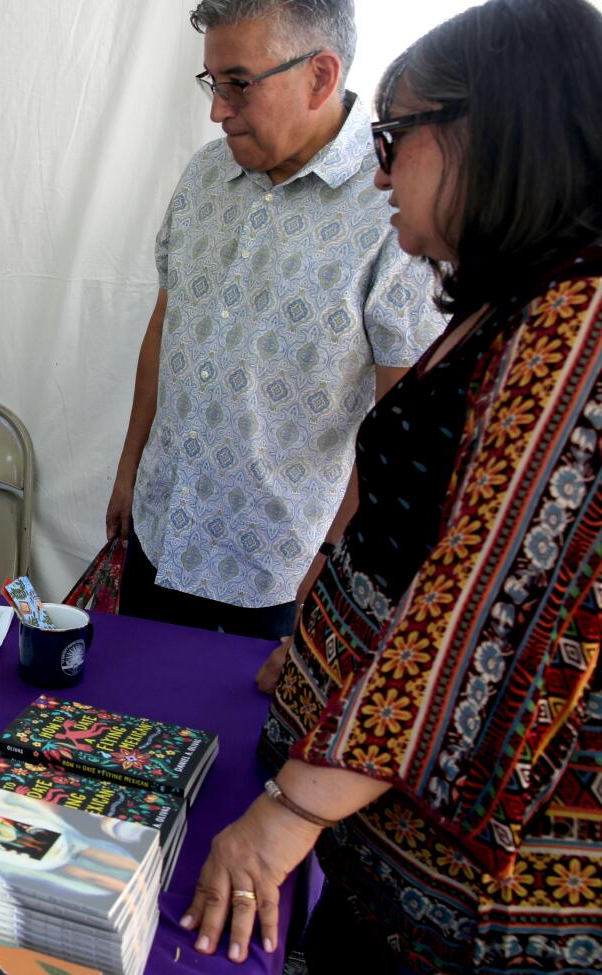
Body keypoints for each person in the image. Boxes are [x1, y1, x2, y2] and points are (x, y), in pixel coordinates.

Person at [182, 1, 602, 971]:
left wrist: (288, 813)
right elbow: (419, 530)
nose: (378, 170)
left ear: (493, 132)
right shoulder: (513, 300)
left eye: (395, 137)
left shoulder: (579, 326)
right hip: (384, 861)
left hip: (470, 919)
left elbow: (486, 605)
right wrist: (322, 653)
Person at [106, 0, 444, 659]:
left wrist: (334, 567)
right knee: (132, 733)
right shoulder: (205, 176)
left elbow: (401, 420)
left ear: (320, 75)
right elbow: (165, 330)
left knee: (242, 756)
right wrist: (129, 467)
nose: (217, 110)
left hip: (279, 575)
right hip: (160, 533)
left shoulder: (394, 212)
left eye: (238, 83)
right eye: (212, 83)